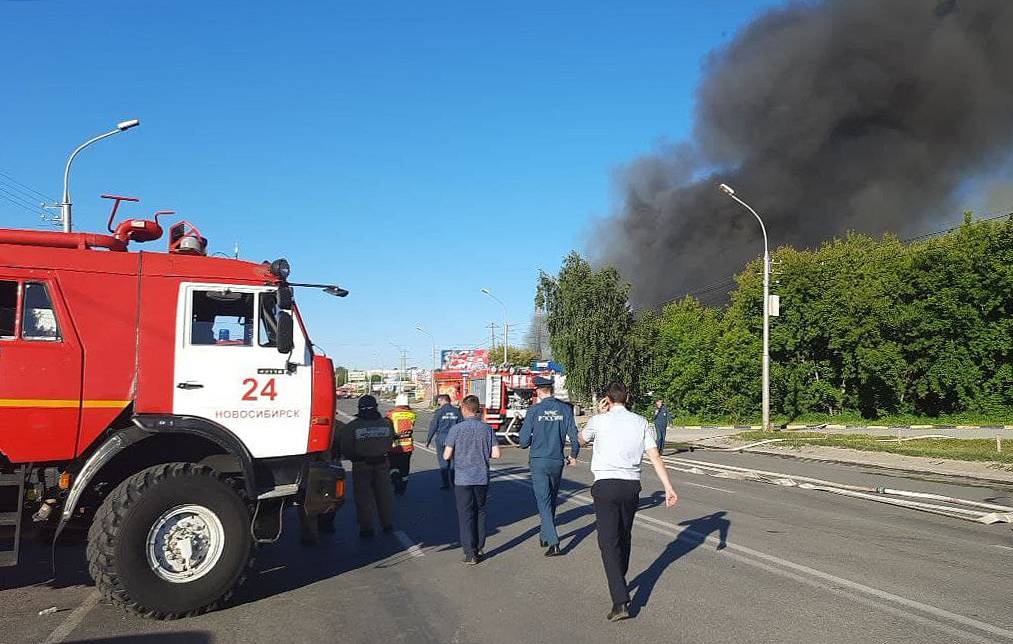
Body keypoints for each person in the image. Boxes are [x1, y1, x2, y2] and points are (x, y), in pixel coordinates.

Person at [578, 382, 678, 622]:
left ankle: (620, 601)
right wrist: (668, 487)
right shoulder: (641, 422)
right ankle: (619, 578)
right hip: (631, 486)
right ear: (628, 398)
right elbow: (654, 456)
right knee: (624, 535)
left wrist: (595, 415)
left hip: (605, 486)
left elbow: (581, 440)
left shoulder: (599, 420)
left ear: (607, 400)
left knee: (607, 542)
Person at [518, 376, 579, 557]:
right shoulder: (565, 409)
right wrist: (573, 455)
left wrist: (529, 439)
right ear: (551, 390)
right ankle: (544, 535)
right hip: (557, 460)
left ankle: (554, 542)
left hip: (538, 460)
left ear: (538, 391)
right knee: (551, 499)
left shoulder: (534, 410)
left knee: (543, 501)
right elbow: (574, 438)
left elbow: (522, 441)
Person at [443, 394, 500, 565]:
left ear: (464, 409)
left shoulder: (456, 429)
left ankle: (470, 553)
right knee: (480, 512)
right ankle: (479, 547)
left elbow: (446, 455)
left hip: (462, 479)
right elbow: (496, 454)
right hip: (481, 477)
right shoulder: (487, 429)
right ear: (477, 410)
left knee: (465, 515)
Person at [336, 395, 396, 537]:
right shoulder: (386, 424)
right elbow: (390, 442)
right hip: (382, 463)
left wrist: (355, 458)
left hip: (361, 464)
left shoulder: (352, 427)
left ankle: (367, 527)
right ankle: (387, 524)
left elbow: (346, 448)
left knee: (363, 497)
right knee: (384, 495)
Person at [426, 393, 463, 489]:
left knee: (443, 461)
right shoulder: (457, 411)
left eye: (439, 401)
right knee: (454, 461)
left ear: (443, 400)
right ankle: (454, 481)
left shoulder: (439, 412)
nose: (438, 403)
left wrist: (428, 440)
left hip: (441, 439)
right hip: (454, 439)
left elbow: (433, 426)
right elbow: (462, 426)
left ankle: (446, 483)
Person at [386, 393, 417, 495]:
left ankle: (395, 480)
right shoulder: (412, 414)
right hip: (407, 446)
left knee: (393, 466)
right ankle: (402, 487)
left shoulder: (390, 414)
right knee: (405, 468)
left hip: (394, 446)